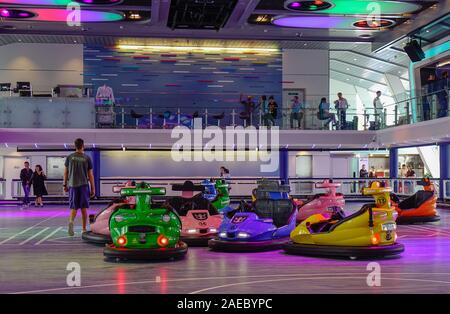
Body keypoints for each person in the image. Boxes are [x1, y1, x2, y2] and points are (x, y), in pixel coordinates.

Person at [63, 138, 95, 236]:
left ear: (75, 146)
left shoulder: (70, 157)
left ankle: (71, 222)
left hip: (72, 185)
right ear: (83, 146)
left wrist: (65, 184)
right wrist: (93, 188)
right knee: (84, 208)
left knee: (74, 207)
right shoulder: (87, 158)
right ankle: (84, 229)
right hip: (83, 185)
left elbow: (65, 172)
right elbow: (90, 175)